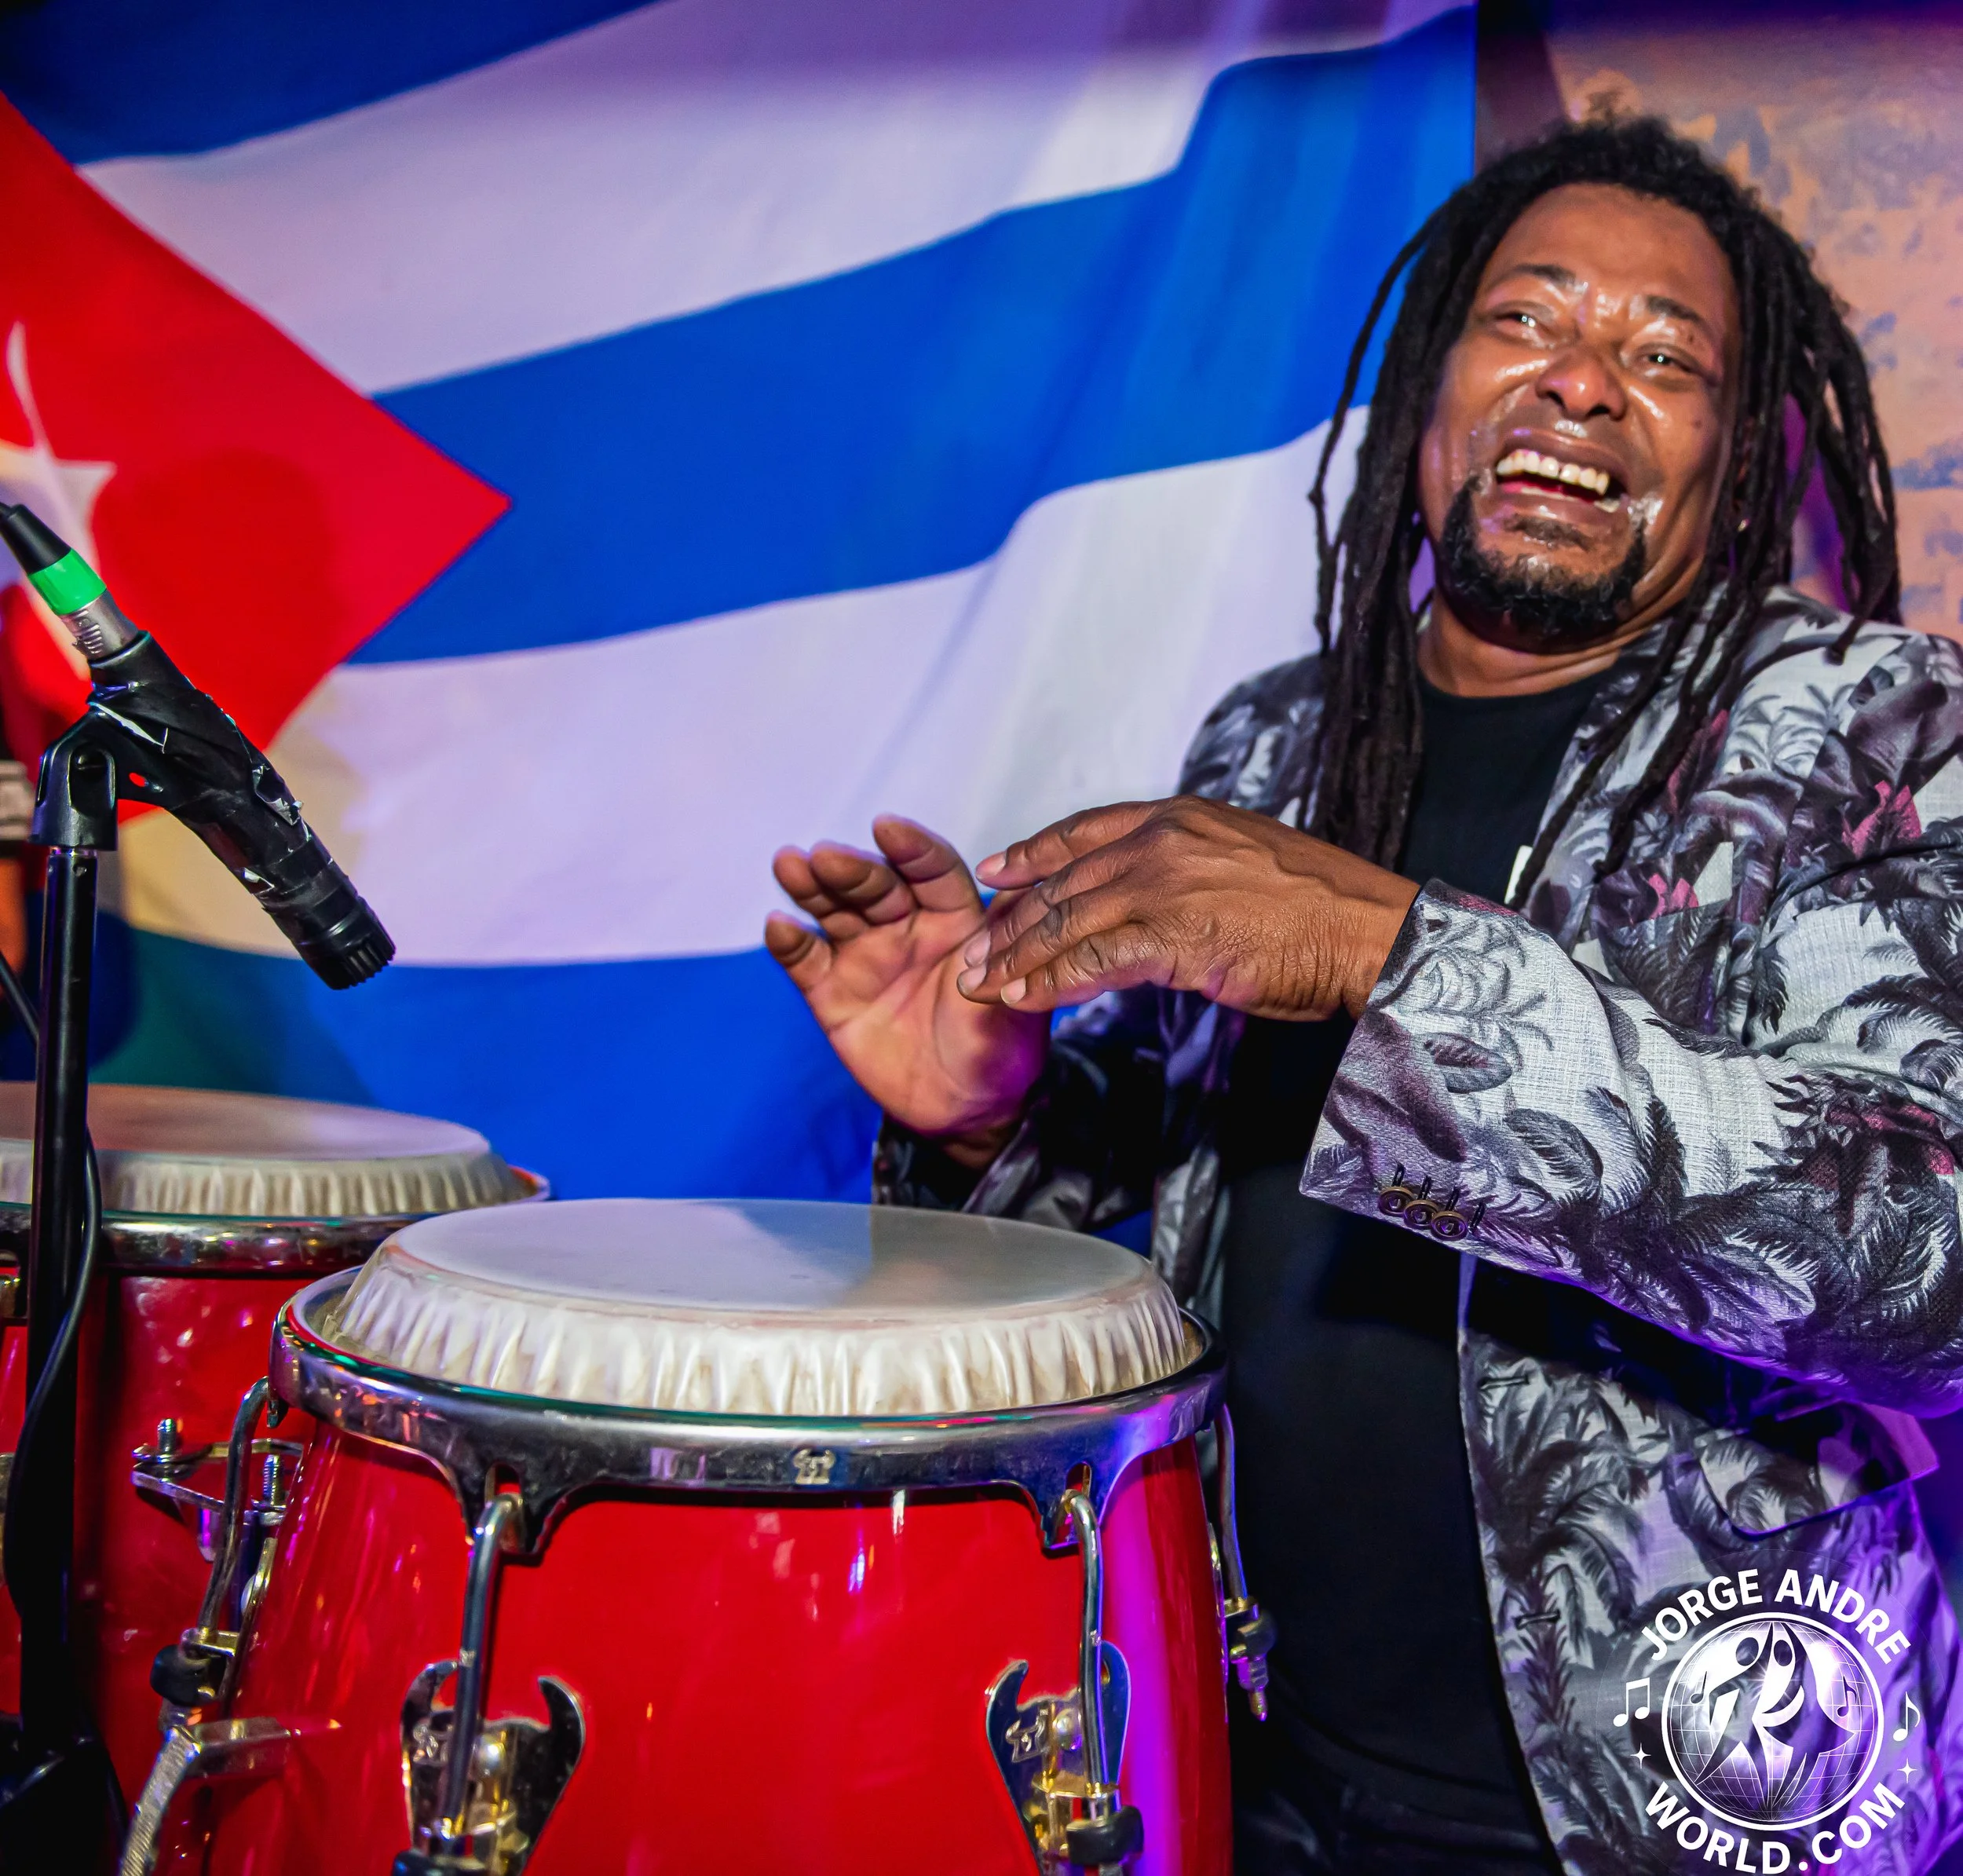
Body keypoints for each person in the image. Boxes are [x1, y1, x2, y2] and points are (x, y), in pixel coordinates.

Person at [765, 118, 1963, 1875]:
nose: (1580, 381)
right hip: (1237, 1743)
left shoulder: (1872, 726)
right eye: (1526, 319)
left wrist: (1388, 961)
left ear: (1732, 461)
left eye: (1664, 358)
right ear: (1428, 391)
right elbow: (1181, 1214)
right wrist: (990, 1116)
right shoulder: (1272, 741)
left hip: (1677, 1797)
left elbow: (1920, 1260)